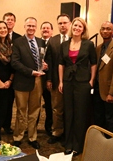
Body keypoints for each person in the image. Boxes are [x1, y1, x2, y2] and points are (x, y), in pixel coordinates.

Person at [58, 17, 97, 156]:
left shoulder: (88, 44)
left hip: (82, 82)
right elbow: (61, 64)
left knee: (80, 114)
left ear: (83, 29)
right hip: (68, 81)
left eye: (80, 26)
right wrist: (61, 81)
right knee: (68, 113)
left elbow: (93, 63)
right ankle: (68, 144)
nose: (77, 28)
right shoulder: (64, 45)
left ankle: (78, 145)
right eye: (75, 25)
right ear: (71, 27)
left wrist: (92, 80)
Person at [11, 17, 47, 149]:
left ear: (36, 27)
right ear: (24, 26)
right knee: (21, 111)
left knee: (35, 111)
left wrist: (44, 65)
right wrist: (31, 72)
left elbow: (41, 58)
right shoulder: (18, 42)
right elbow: (15, 62)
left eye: (33, 26)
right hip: (22, 82)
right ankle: (18, 136)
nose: (31, 28)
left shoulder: (40, 42)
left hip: (37, 82)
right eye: (29, 26)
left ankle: (32, 137)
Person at [45, 13, 71, 144]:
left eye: (65, 23)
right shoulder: (52, 40)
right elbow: (49, 61)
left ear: (70, 24)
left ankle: (68, 133)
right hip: (56, 81)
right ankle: (56, 132)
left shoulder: (75, 39)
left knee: (70, 108)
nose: (63, 25)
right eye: (60, 23)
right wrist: (49, 79)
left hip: (72, 82)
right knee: (57, 109)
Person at [93, 21, 113, 135]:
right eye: (103, 29)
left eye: (108, 29)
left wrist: (112, 93)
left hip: (110, 92)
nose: (105, 31)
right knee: (98, 119)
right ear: (100, 31)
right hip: (98, 90)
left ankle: (109, 148)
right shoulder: (99, 48)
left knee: (110, 122)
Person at [2, 12, 21, 134]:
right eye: (7, 19)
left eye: (11, 20)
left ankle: (7, 126)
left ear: (14, 22)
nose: (9, 21)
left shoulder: (19, 38)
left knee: (9, 102)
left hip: (13, 75)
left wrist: (11, 77)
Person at [40, 21, 53, 136]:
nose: (45, 30)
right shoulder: (36, 42)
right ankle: (32, 127)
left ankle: (48, 126)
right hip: (36, 79)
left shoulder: (54, 43)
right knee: (34, 105)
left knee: (49, 104)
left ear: (52, 31)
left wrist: (49, 79)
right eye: (43, 28)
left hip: (48, 79)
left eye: (48, 28)